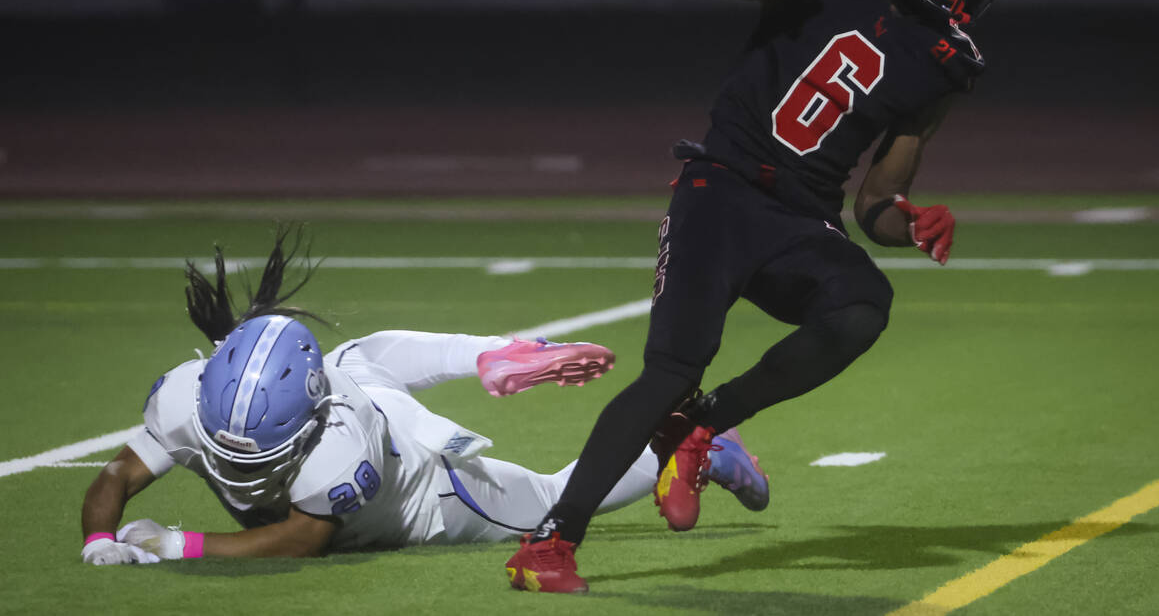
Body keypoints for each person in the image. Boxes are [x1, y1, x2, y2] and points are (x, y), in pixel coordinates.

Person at [504, 0, 1013, 593]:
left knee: (863, 305)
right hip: (720, 187)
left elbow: (874, 203)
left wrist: (909, 222)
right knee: (672, 368)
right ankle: (550, 541)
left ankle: (703, 424)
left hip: (801, 219)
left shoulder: (945, 60)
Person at [79, 228, 768, 564]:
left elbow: (297, 538)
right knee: (360, 355)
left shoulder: (337, 448)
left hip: (430, 493)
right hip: (357, 373)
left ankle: (693, 439)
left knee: (560, 498)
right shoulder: (186, 396)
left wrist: (179, 543)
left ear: (310, 421)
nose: (235, 454)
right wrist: (99, 538)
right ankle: (489, 352)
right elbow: (117, 473)